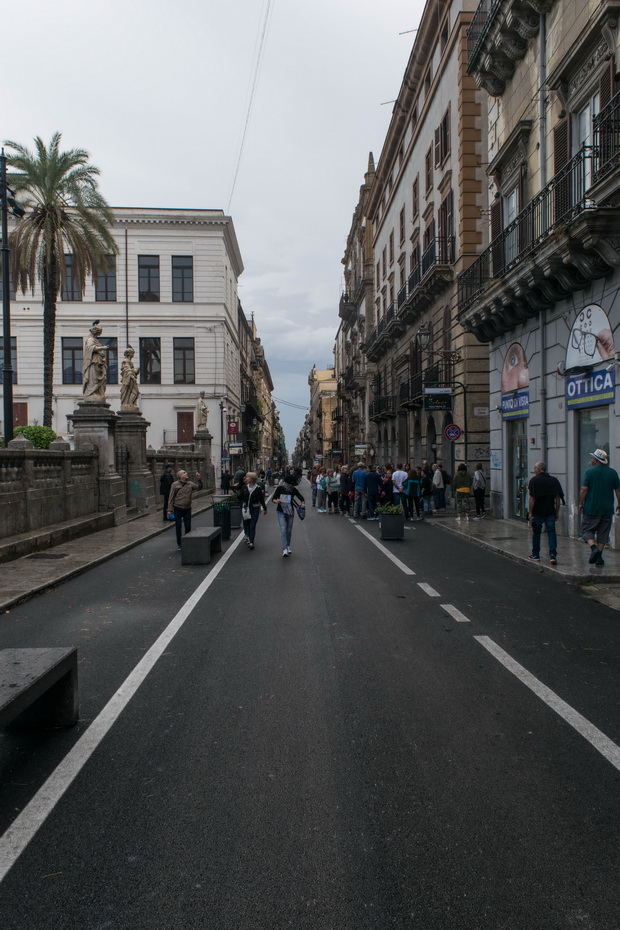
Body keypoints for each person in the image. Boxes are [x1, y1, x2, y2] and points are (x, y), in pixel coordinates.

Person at [578, 448, 620, 567]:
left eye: (592, 458)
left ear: (596, 460)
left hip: (591, 508)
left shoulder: (589, 472)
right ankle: (599, 558)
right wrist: (619, 504)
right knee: (603, 533)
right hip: (607, 509)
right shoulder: (613, 473)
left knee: (586, 530)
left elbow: (584, 489)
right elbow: (618, 490)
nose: (591, 460)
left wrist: (580, 503)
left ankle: (594, 548)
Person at [528, 461, 563, 564]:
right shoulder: (554, 481)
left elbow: (532, 499)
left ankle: (536, 555)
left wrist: (530, 512)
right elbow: (557, 499)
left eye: (535, 469)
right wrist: (556, 511)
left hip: (538, 511)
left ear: (539, 469)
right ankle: (552, 555)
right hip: (550, 511)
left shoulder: (534, 481)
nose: (534, 471)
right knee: (551, 533)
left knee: (536, 533)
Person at [167, 469, 203, 549]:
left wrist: (199, 479)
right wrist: (169, 510)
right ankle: (179, 544)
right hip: (177, 507)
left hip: (187, 508)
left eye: (186, 472)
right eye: (184, 473)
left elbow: (198, 488)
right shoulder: (175, 485)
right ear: (180, 476)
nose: (186, 473)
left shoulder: (190, 484)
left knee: (188, 526)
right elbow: (171, 497)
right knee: (178, 526)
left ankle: (187, 541)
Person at [272, 473, 305, 557]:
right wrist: (277, 501)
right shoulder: (280, 488)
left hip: (290, 512)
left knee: (289, 530)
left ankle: (288, 545)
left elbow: (301, 498)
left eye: (293, 484)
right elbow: (273, 499)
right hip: (281, 511)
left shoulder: (293, 490)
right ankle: (284, 549)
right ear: (287, 483)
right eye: (291, 484)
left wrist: (302, 504)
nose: (292, 486)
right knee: (283, 530)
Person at [239, 471, 267, 550]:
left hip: (255, 508)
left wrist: (264, 508)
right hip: (246, 509)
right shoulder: (244, 487)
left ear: (251, 479)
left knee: (252, 525)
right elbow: (240, 497)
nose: (246, 478)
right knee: (248, 525)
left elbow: (261, 499)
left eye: (247, 477)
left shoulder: (258, 488)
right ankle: (249, 538)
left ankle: (251, 541)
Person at [82, 321, 108, 400]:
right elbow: (91, 349)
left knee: (100, 380)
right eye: (99, 332)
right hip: (93, 363)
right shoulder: (90, 340)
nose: (100, 334)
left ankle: (98, 393)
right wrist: (103, 348)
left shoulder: (95, 339)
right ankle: (91, 393)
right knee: (93, 379)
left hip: (99, 363)